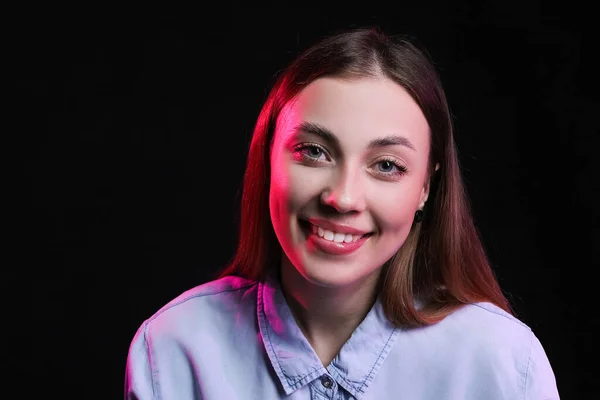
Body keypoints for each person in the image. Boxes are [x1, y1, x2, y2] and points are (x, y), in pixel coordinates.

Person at [124, 28, 559, 399]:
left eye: (386, 165)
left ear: (425, 187)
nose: (343, 197)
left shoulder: (503, 363)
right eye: (313, 152)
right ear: (268, 160)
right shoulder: (173, 348)